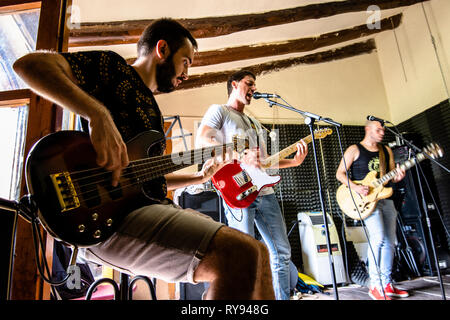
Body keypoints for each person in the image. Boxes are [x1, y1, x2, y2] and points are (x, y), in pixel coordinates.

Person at [13, 18, 275, 300]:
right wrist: (96, 114)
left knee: (259, 254)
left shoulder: (151, 111)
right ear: (162, 49)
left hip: (143, 206)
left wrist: (200, 177)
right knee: (239, 253)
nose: (187, 73)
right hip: (103, 214)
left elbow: (141, 179)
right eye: (185, 61)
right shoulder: (113, 69)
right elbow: (29, 66)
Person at [196, 70, 308, 300]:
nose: (254, 89)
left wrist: (293, 161)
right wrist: (238, 155)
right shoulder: (220, 111)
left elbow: (265, 162)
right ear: (234, 84)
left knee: (281, 251)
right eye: (250, 83)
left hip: (265, 192)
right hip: (237, 190)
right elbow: (204, 138)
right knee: (242, 254)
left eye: (255, 85)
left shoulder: (255, 122)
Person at [336, 119, 409, 300]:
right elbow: (340, 173)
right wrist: (356, 187)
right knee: (379, 239)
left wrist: (398, 177)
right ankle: (375, 285)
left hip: (386, 199)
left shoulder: (387, 151)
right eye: (378, 129)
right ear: (367, 129)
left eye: (383, 130)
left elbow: (391, 177)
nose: (382, 132)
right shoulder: (355, 149)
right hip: (366, 201)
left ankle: (386, 283)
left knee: (390, 242)